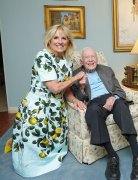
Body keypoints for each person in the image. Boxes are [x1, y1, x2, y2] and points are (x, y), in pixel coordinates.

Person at [11, 24, 85, 177]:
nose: (60, 41)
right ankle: (29, 167)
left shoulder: (67, 60)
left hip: (56, 107)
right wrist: (76, 77)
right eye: (55, 37)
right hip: (39, 105)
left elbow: (66, 90)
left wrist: (74, 100)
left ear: (69, 42)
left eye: (64, 38)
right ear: (49, 40)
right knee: (35, 138)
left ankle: (50, 160)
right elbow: (55, 88)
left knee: (53, 139)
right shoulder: (42, 56)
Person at [71, 47, 138, 180]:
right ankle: (112, 156)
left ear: (96, 58)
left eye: (92, 56)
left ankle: (137, 156)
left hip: (112, 98)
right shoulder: (76, 75)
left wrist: (113, 98)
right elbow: (80, 98)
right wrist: (82, 87)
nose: (90, 59)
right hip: (94, 102)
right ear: (82, 61)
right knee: (92, 112)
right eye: (87, 57)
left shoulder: (106, 70)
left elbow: (120, 90)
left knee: (123, 108)